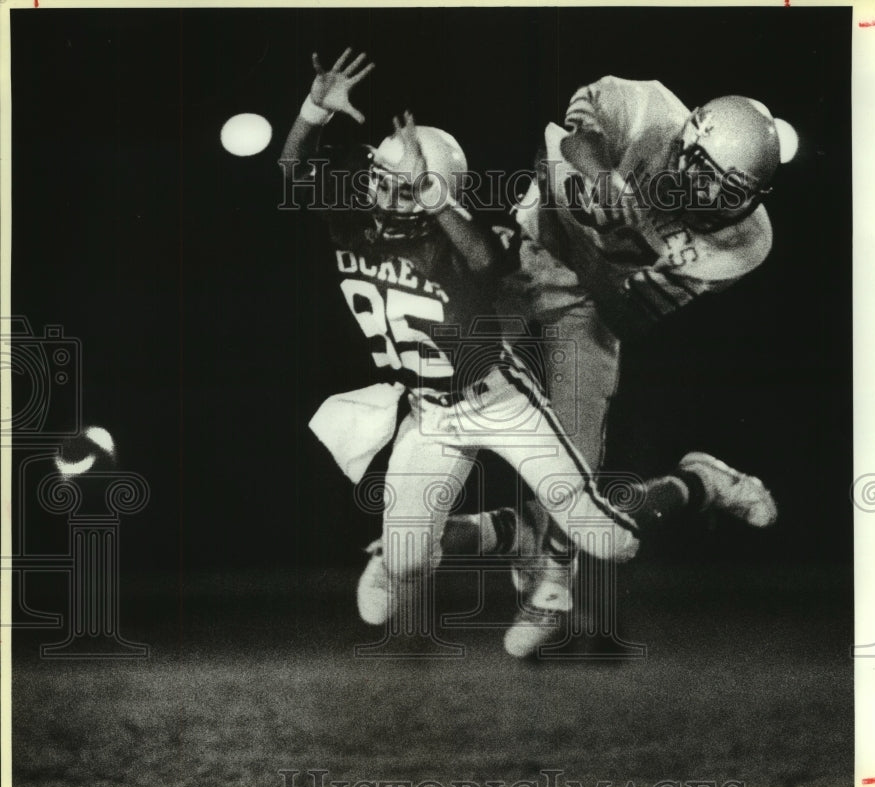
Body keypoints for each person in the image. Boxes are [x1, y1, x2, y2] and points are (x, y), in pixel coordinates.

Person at [280, 49, 647, 632]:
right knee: (404, 561)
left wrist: (435, 197)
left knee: (606, 541)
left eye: (408, 194)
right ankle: (487, 541)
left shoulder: (458, 238)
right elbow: (295, 172)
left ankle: (604, 521)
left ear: (437, 197)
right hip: (429, 415)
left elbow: (486, 260)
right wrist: (312, 111)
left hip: (499, 401)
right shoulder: (351, 217)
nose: (386, 202)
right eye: (383, 185)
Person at [442, 76, 786, 657]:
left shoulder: (743, 244)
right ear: (685, 139)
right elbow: (568, 145)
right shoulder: (642, 104)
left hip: (590, 299)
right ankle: (696, 485)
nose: (706, 199)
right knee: (444, 391)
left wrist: (611, 228)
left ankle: (553, 578)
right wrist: (602, 179)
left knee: (572, 475)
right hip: (525, 259)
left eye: (728, 194)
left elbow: (624, 312)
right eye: (702, 174)